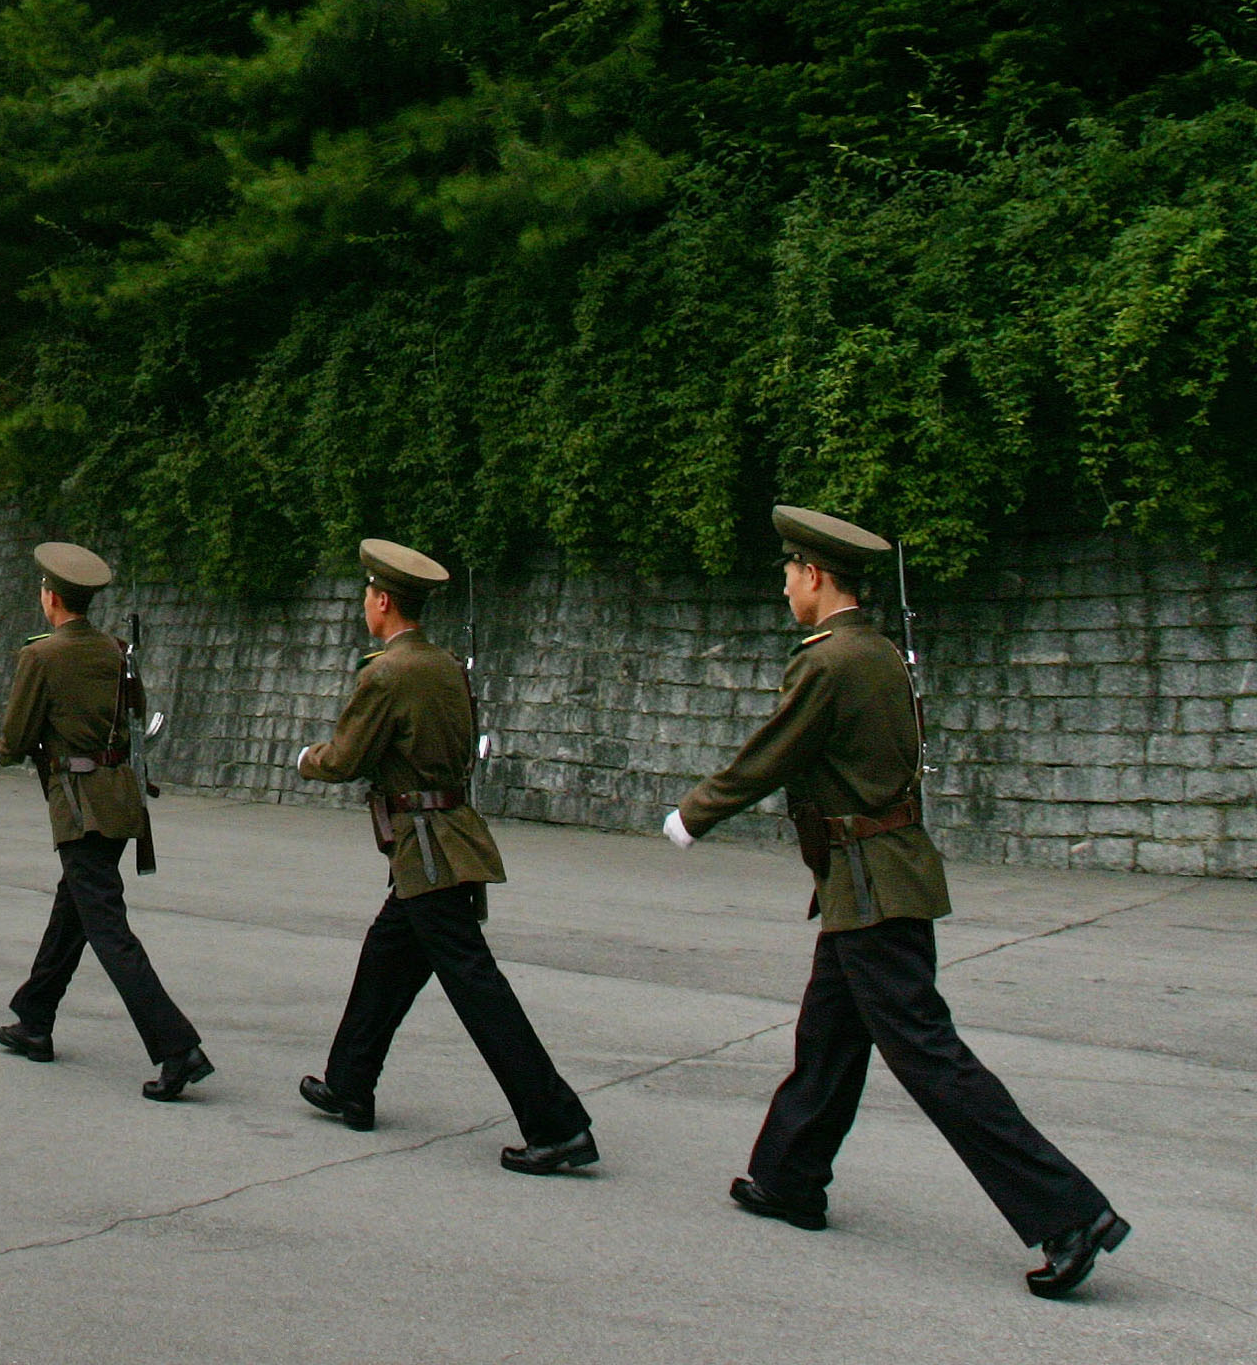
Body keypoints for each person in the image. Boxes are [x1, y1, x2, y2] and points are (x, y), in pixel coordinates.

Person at [668, 505, 1131, 1298]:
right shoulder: (876, 650)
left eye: (790, 574)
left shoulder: (830, 661)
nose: (785, 588)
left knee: (928, 1055)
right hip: (872, 879)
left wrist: (693, 815)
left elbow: (771, 754)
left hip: (871, 882)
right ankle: (787, 1179)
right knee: (829, 1037)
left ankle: (1070, 1214)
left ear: (816, 575)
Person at [296, 539, 596, 1175]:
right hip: (440, 841)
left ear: (383, 601)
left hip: (427, 848)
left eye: (367, 595)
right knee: (386, 959)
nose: (365, 604)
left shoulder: (387, 673)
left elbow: (346, 759)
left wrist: (307, 758)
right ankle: (349, 1083)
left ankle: (559, 1125)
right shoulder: (445, 666)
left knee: (477, 986)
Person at [0, 542, 213, 1101]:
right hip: (118, 799)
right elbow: (135, 716)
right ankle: (35, 1018)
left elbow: (15, 740)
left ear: (51, 597)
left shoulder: (41, 657)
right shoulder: (117, 651)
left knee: (107, 930)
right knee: (74, 911)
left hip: (79, 805)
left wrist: (4, 749)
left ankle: (177, 1048)